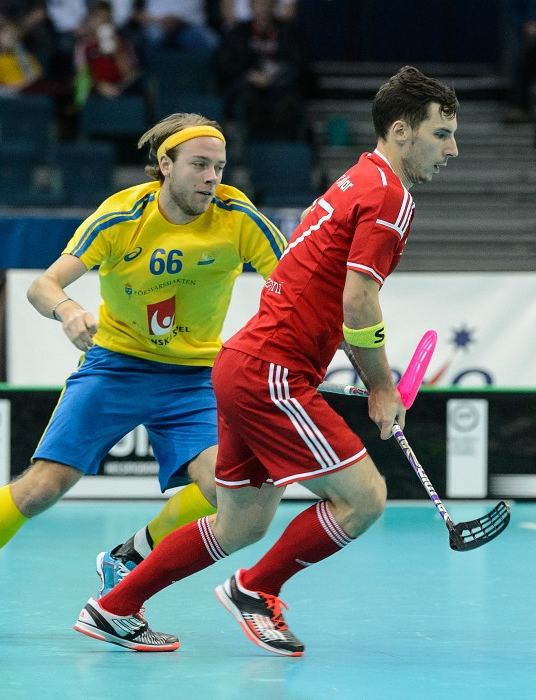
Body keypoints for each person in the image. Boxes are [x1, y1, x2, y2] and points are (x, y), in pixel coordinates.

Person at [72, 65, 458, 656]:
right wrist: (381, 387)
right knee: (364, 498)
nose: (452, 149)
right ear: (402, 131)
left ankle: (113, 607)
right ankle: (255, 589)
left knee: (242, 522)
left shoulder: (358, 177)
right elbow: (359, 299)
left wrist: (347, 368)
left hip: (245, 364)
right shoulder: (390, 197)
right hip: (271, 371)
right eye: (442, 133)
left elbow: (337, 298)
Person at [0, 111, 287, 638]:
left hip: (194, 377)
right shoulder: (122, 216)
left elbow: (292, 289)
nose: (212, 177)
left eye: (219, 166)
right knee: (41, 489)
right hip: (116, 366)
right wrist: (69, 311)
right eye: (199, 165)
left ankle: (129, 556)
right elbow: (44, 285)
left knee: (224, 488)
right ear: (165, 165)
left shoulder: (237, 215)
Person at [216, 0, 310, 141]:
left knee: (293, 98)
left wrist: (276, 75)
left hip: (281, 85)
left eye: (267, 4)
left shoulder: (288, 31)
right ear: (251, 7)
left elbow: (299, 62)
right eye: (259, 4)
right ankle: (246, 146)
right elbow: (225, 63)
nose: (263, 9)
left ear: (274, 6)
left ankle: (286, 145)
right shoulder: (240, 32)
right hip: (249, 85)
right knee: (245, 98)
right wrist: (249, 75)